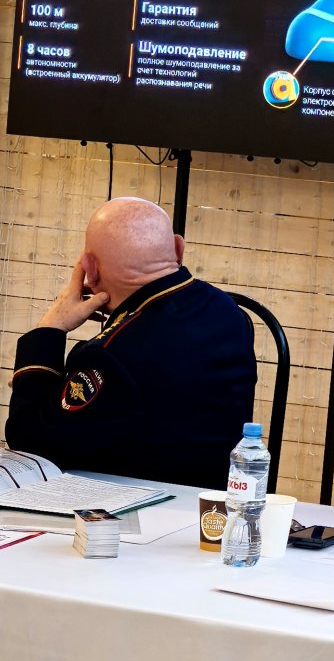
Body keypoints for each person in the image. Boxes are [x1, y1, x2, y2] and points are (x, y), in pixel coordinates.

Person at [5, 197, 258, 489]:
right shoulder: (226, 309)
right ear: (178, 249)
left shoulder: (111, 354)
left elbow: (31, 442)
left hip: (138, 502)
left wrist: (49, 330)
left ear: (90, 269)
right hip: (219, 498)